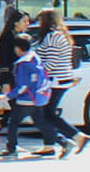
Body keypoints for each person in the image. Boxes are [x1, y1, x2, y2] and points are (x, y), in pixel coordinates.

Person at [0, 34, 74, 159]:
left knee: (13, 122)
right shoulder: (34, 58)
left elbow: (22, 86)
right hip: (37, 98)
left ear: (18, 48)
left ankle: (11, 148)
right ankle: (63, 141)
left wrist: (8, 96)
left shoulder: (23, 64)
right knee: (41, 122)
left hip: (26, 100)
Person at [29, 9, 85, 155]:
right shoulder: (61, 36)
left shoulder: (53, 37)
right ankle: (49, 145)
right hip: (61, 80)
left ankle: (76, 136)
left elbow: (51, 62)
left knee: (45, 113)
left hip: (55, 81)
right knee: (48, 112)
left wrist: (36, 73)